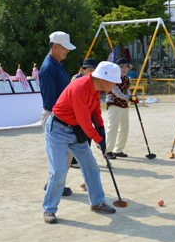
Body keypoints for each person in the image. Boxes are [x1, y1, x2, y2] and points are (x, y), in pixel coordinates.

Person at [43, 61, 121, 224]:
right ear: (103, 79)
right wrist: (99, 140)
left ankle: (97, 202)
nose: (115, 85)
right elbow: (85, 122)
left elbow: (96, 111)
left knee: (91, 166)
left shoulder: (96, 88)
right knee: (59, 171)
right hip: (58, 130)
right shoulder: (79, 88)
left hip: (75, 131)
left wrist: (101, 129)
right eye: (114, 81)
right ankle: (49, 209)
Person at [40, 31, 76, 196]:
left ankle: (54, 184)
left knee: (65, 156)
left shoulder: (58, 63)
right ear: (55, 46)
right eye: (65, 48)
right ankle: (54, 186)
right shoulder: (48, 68)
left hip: (63, 115)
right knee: (58, 157)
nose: (67, 51)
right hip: (55, 116)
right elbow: (51, 100)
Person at [105, 58, 138, 160]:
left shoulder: (127, 79)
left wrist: (131, 97)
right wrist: (128, 97)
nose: (124, 69)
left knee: (124, 129)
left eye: (126, 67)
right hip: (114, 104)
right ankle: (108, 150)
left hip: (124, 105)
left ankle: (118, 149)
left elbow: (127, 91)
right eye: (122, 67)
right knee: (112, 129)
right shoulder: (112, 78)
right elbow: (117, 93)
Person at [69, 58, 97, 169]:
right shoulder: (75, 78)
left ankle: (85, 159)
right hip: (77, 113)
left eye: (94, 69)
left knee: (88, 135)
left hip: (88, 111)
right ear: (83, 69)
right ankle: (74, 161)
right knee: (78, 136)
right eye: (90, 69)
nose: (92, 72)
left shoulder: (94, 79)